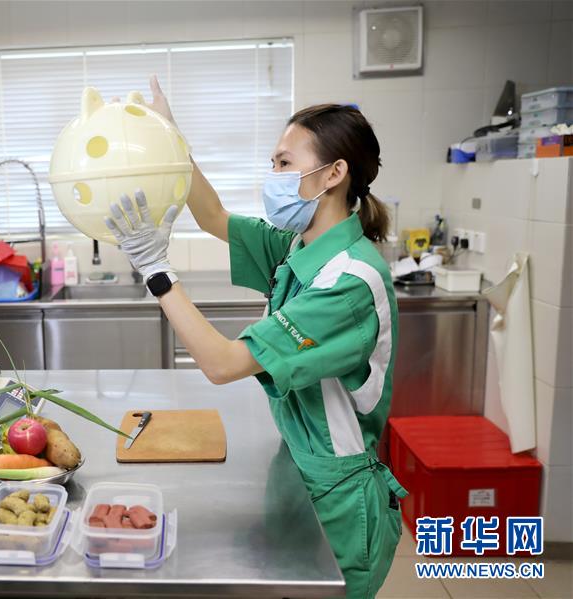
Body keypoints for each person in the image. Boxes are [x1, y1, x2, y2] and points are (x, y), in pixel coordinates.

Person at [105, 76, 406, 599]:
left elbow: (223, 363)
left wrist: (156, 270)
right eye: (274, 163)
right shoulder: (297, 245)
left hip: (336, 498)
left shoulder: (349, 282)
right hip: (298, 473)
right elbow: (213, 216)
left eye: (285, 163)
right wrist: (171, 142)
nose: (274, 176)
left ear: (334, 173)